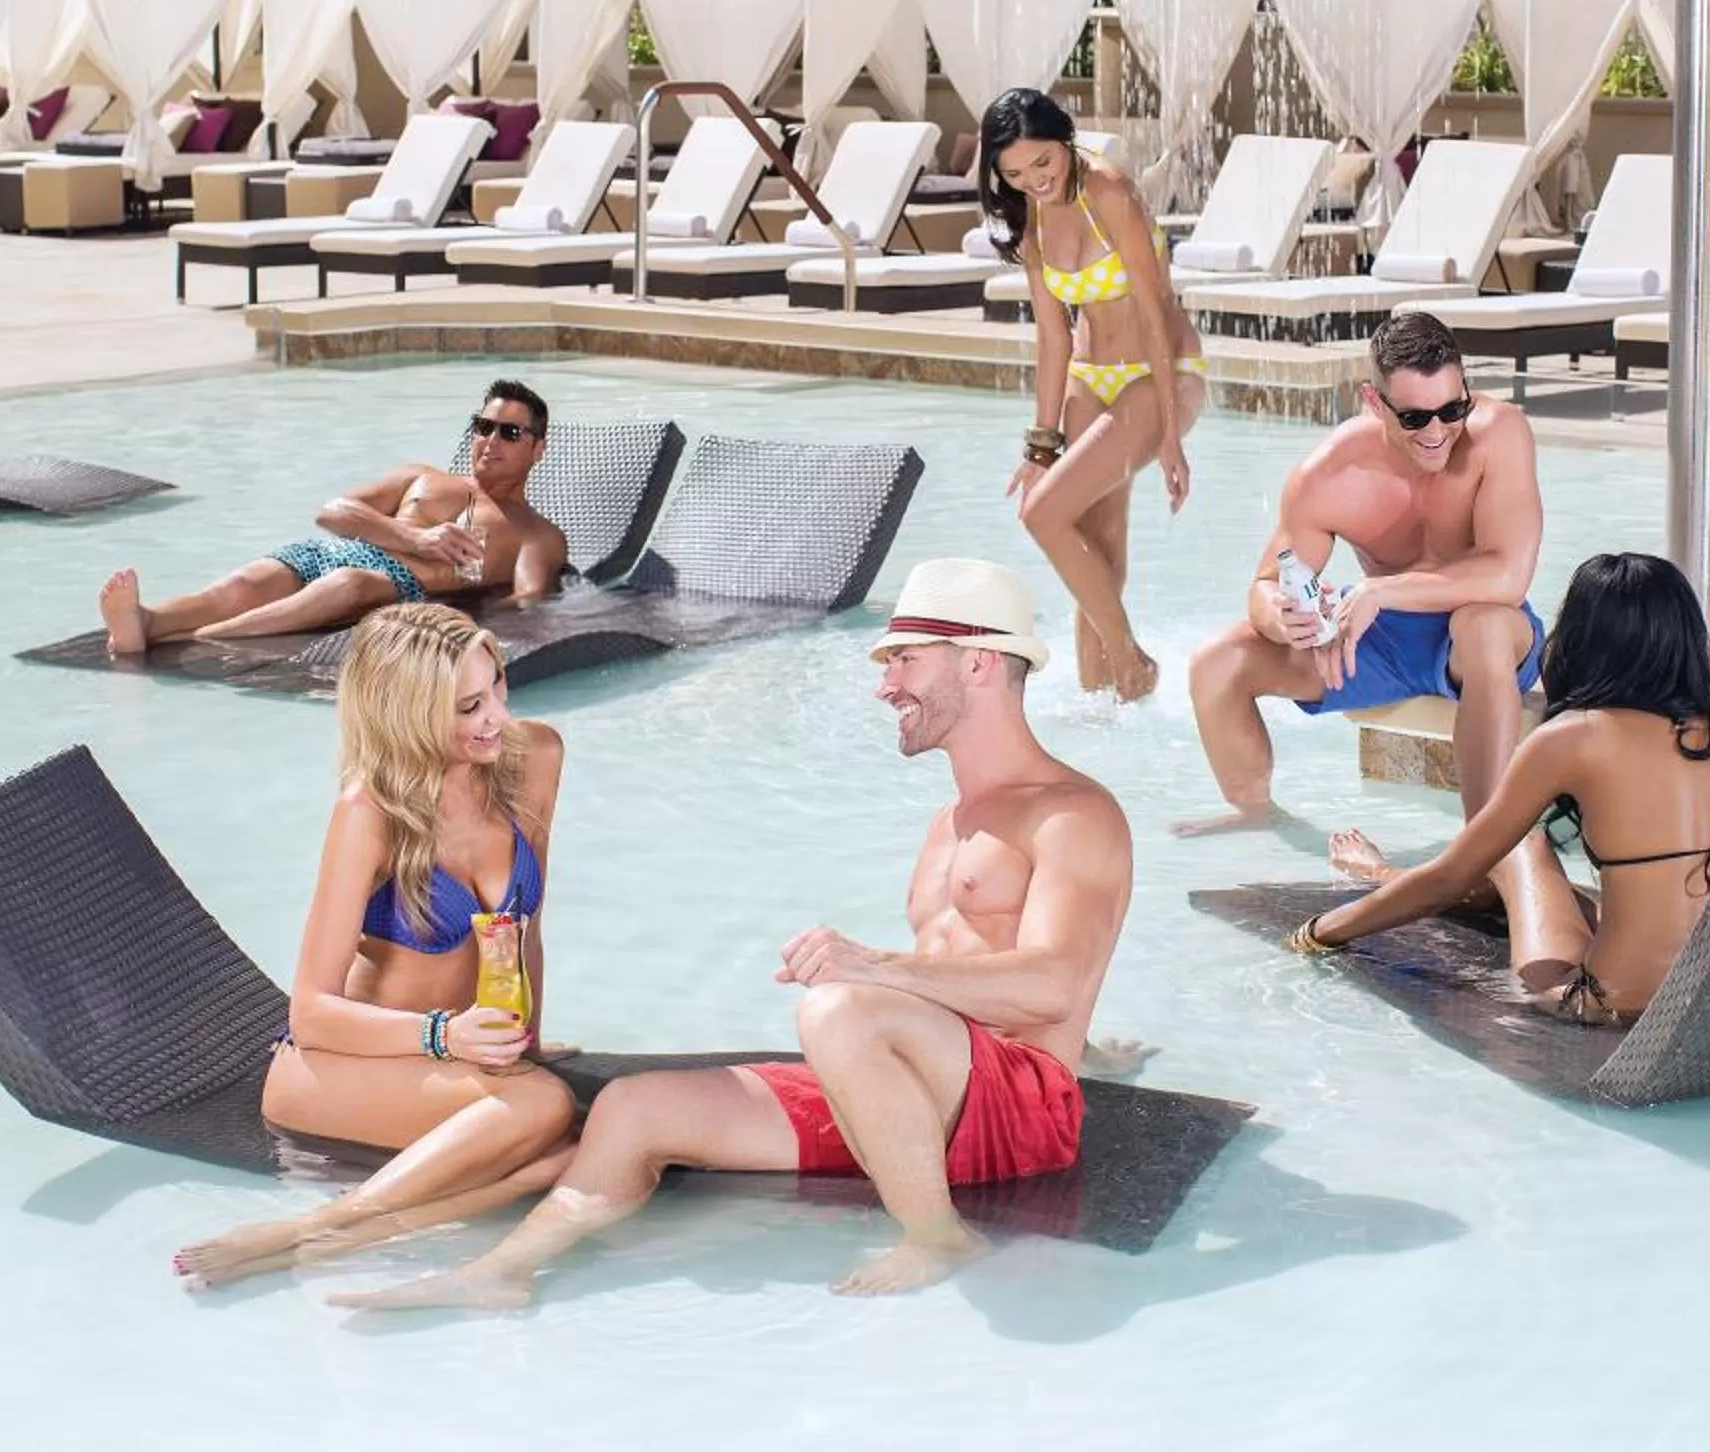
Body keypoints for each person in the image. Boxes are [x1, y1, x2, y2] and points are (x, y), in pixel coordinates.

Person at [330, 559, 1133, 1309]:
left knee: (839, 1008)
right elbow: (971, 975)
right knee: (635, 1106)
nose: (885, 686)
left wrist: (868, 967)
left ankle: (938, 1236)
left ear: (980, 663)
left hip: (1021, 1116)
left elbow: (1056, 982)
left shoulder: (1073, 813)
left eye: (905, 661)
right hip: (924, 1103)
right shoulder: (948, 824)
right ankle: (499, 1273)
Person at [173, 602, 577, 1288]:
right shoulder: (370, 813)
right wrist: (451, 1037)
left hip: (459, 1055)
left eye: (498, 687)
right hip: (338, 1065)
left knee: (578, 1153)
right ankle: (305, 1229)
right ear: (407, 713)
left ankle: (329, 1249)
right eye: (468, 707)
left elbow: (522, 930)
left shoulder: (534, 756)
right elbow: (310, 1013)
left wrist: (524, 1039)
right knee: (549, 1110)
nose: (497, 718)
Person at [1183, 309, 1587, 992]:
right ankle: (1254, 809)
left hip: (1483, 623)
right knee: (1217, 662)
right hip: (1381, 638)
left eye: (1451, 408)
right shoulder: (1326, 475)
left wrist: (1382, 591)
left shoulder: (1499, 434)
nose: (1439, 432)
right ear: (1375, 402)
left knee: (1485, 626)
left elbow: (1507, 575)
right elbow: (1266, 583)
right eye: (1416, 418)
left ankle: (1480, 852)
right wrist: (1294, 620)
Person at [1288, 553, 1710, 1021]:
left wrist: (1319, 932)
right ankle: (1400, 878)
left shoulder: (1576, 736)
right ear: (1687, 635)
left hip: (1607, 1005)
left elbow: (1450, 878)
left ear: (1587, 642)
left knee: (1516, 847)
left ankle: (1381, 873)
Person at [986, 87, 1202, 703]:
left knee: (1043, 514)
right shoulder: (1029, 218)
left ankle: (1132, 664)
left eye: (1044, 163)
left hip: (1157, 372)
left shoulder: (1107, 190)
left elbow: (1157, 307)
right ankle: (1099, 702)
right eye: (1016, 173)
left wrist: (1167, 429)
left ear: (1066, 143)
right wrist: (1040, 446)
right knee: (1094, 549)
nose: (1035, 181)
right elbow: (1053, 338)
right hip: (1091, 374)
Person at [99, 379, 569, 654]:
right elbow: (331, 512)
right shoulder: (421, 475)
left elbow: (524, 602)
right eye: (484, 427)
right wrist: (415, 538)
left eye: (509, 432)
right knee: (239, 587)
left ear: (538, 449)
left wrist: (452, 606)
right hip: (336, 548)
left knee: (346, 584)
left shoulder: (537, 534)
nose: (490, 441)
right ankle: (146, 620)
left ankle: (191, 641)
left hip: (393, 583)